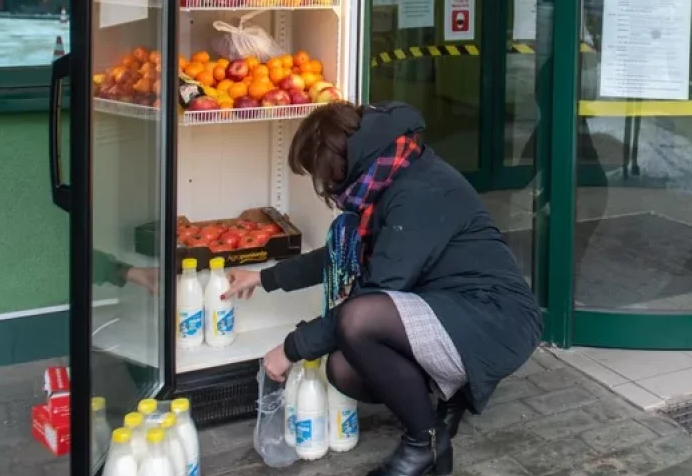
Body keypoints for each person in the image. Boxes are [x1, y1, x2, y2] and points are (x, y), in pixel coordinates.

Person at [225, 101, 541, 476]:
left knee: (360, 318)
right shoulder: (391, 175)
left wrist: (289, 350)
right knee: (343, 368)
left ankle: (425, 443)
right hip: (447, 309)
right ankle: (451, 393)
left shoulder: (419, 191)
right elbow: (342, 255)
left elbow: (374, 296)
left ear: (339, 163)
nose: (324, 186)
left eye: (320, 174)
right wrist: (263, 279)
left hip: (495, 318)